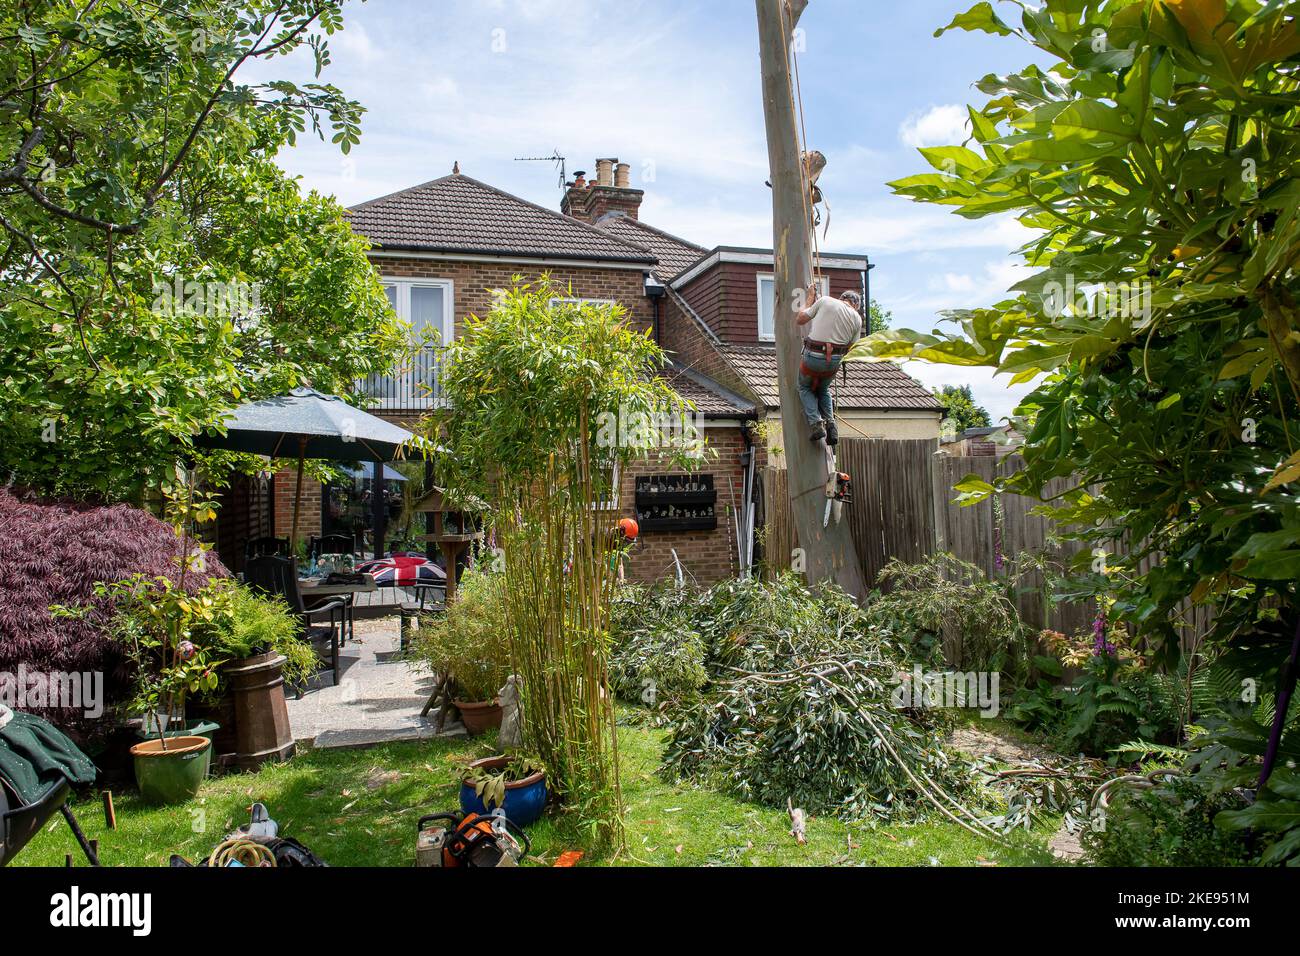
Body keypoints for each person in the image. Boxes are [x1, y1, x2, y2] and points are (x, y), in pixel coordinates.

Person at [795, 285, 863, 444]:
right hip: (834, 361)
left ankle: (816, 425)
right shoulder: (857, 318)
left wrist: (810, 297)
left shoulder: (825, 301)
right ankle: (831, 424)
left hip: (813, 356)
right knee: (823, 389)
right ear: (856, 305)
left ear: (842, 298)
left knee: (804, 387)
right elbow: (852, 348)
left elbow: (800, 319)